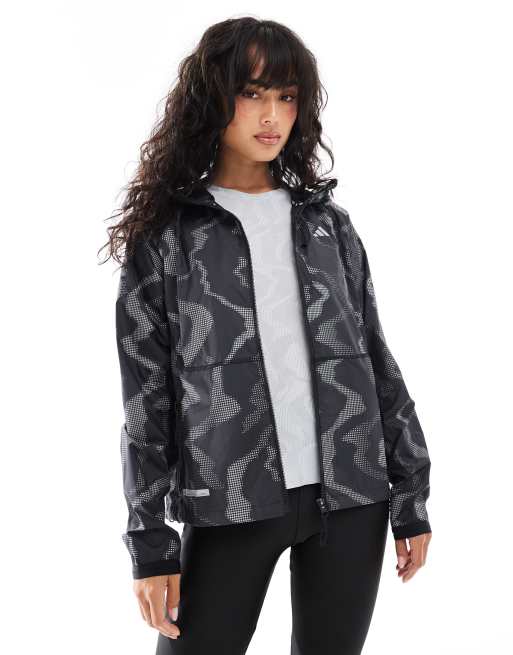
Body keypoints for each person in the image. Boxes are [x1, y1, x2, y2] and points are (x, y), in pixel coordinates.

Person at [101, 16, 432, 655]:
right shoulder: (168, 237)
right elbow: (146, 401)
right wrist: (149, 541)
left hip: (352, 497)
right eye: (251, 93)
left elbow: (374, 360)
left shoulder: (327, 225)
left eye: (286, 95)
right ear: (212, 98)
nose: (271, 115)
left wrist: (411, 493)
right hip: (229, 501)